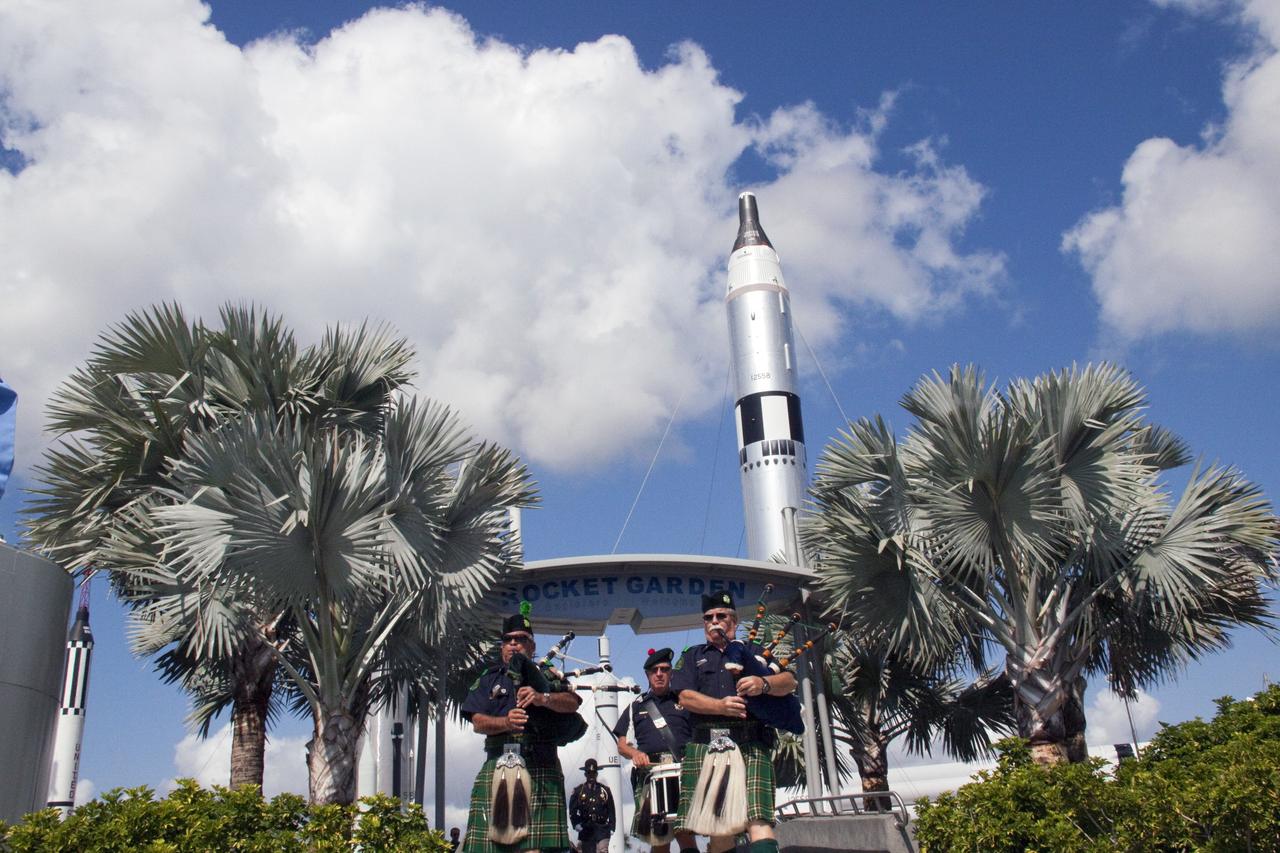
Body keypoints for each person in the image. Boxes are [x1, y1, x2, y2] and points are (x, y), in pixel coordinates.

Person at [670, 591, 796, 853]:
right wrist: (720, 706)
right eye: (708, 617)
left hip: (750, 743)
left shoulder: (753, 652)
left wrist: (763, 684)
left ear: (734, 622)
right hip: (707, 746)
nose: (714, 621)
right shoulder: (692, 656)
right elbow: (684, 696)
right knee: (719, 828)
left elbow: (789, 682)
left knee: (758, 820)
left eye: (721, 616)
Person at [461, 606, 583, 853]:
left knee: (535, 848)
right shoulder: (489, 678)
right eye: (508, 639)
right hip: (498, 763)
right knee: (493, 847)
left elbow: (572, 704)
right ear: (502, 646)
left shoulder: (546, 676)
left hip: (540, 764)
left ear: (532, 646)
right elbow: (476, 721)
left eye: (521, 639)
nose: (514, 644)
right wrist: (506, 722)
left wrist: (542, 698)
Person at [614, 647, 696, 853]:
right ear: (647, 675)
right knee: (659, 838)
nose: (659, 674)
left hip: (683, 772)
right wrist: (636, 754)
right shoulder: (636, 706)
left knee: (685, 834)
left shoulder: (685, 702)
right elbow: (622, 744)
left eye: (664, 669)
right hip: (651, 775)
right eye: (654, 670)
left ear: (671, 673)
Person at [568, 758, 616, 852]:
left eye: (593, 773)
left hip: (602, 828)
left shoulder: (605, 790)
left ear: (597, 774)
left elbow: (611, 810)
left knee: (603, 850)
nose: (591, 776)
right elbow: (572, 810)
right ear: (585, 774)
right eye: (589, 773)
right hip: (586, 829)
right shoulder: (578, 791)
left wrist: (612, 826)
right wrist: (576, 824)